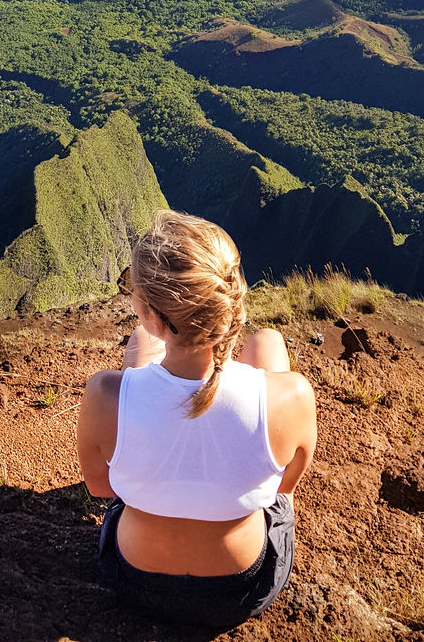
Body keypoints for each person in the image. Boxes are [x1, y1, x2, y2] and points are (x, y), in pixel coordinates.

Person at [77, 209, 318, 630]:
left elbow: (101, 487)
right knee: (268, 342)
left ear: (151, 312)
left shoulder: (103, 393)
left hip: (134, 579)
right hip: (240, 589)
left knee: (138, 347)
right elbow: (282, 487)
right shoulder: (294, 395)